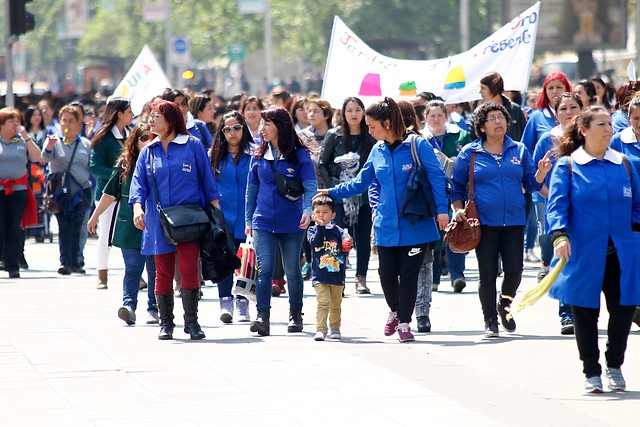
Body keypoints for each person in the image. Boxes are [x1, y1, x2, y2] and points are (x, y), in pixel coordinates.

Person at [317, 97, 449, 342]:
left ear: (387, 123)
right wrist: (332, 192)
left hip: (416, 224)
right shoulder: (377, 150)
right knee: (386, 275)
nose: (369, 130)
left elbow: (437, 177)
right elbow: (361, 183)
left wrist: (442, 210)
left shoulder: (416, 145)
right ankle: (395, 311)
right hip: (386, 225)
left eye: (372, 126)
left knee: (409, 275)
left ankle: (405, 323)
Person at [546, 106, 640, 393]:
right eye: (601, 124)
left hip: (623, 251)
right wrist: (560, 236)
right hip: (583, 251)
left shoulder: (625, 163)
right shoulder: (569, 166)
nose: (608, 129)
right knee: (585, 312)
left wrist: (634, 229)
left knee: (623, 309)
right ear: (584, 130)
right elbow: (556, 205)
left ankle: (614, 364)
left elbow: (637, 203)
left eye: (610, 124)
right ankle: (591, 371)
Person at [451, 102, 552, 338]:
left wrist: (541, 173)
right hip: (483, 223)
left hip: (515, 222)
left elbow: (531, 183)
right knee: (487, 274)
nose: (499, 122)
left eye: (501, 118)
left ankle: (504, 304)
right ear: (482, 126)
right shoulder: (470, 153)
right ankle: (490, 320)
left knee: (515, 271)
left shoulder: (519, 150)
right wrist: (457, 209)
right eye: (493, 118)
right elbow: (455, 187)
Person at [130, 100, 220, 341]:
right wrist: (137, 209)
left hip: (189, 219)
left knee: (190, 268)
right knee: (162, 272)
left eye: (155, 116)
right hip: (158, 220)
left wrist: (217, 219)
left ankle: (192, 322)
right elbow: (138, 186)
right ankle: (166, 323)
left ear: (170, 119)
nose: (150, 120)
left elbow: (208, 184)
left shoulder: (193, 145)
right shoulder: (148, 151)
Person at [245, 107, 317, 337]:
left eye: (267, 124)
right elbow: (251, 191)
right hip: (263, 222)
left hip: (292, 223)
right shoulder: (258, 156)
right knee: (264, 269)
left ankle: (296, 315)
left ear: (280, 126)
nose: (262, 128)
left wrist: (308, 210)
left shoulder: (299, 155)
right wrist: (248, 219)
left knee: (292, 270)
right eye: (262, 124)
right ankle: (262, 317)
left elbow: (310, 186)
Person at [87, 121, 158, 325]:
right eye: (143, 138)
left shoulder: (163, 162)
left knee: (155, 271)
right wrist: (94, 218)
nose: (148, 142)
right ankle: (129, 306)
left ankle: (153, 308)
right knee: (133, 268)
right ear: (134, 142)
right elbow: (109, 195)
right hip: (130, 226)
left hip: (155, 225)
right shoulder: (125, 165)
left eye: (152, 137)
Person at [533, 92, 584, 334]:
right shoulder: (547, 139)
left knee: (585, 261)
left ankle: (585, 310)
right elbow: (535, 179)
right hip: (560, 213)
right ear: (555, 113)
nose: (568, 112)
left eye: (573, 107)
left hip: (588, 211)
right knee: (564, 259)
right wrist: (553, 199)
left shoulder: (590, 136)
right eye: (563, 108)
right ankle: (567, 315)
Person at [317, 96, 374, 294]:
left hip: (364, 196)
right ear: (343, 113)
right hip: (339, 197)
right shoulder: (335, 135)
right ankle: (337, 278)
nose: (354, 114)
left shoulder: (371, 136)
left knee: (363, 238)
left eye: (357, 110)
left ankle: (361, 278)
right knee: (338, 238)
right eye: (349, 110)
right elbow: (322, 165)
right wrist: (335, 185)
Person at [422, 100, 472, 294]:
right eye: (432, 115)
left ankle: (457, 275)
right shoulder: (420, 139)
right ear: (425, 118)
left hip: (457, 190)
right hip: (431, 193)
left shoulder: (461, 135)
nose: (436, 119)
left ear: (446, 116)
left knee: (456, 230)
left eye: (440, 115)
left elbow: (471, 159)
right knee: (434, 235)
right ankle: (434, 278)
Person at [209, 111, 253, 323]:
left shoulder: (255, 155)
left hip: (247, 218)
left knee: (246, 261)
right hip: (222, 217)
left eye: (237, 128)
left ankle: (242, 302)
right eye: (227, 129)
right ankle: (225, 301)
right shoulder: (214, 156)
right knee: (223, 259)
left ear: (244, 129)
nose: (232, 133)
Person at [41, 105, 93, 275]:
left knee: (78, 226)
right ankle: (65, 262)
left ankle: (76, 260)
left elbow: (92, 167)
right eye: (64, 120)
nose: (67, 124)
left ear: (78, 123)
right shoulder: (54, 142)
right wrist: (48, 146)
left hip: (81, 192)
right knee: (64, 227)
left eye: (71, 121)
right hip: (60, 193)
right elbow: (44, 158)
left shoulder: (85, 144)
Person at [89, 97, 134, 290]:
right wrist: (118, 174)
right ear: (119, 114)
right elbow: (95, 167)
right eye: (129, 111)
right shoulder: (104, 137)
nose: (132, 115)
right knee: (105, 234)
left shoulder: (132, 133)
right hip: (107, 193)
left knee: (129, 233)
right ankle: (102, 275)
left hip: (128, 193)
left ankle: (134, 274)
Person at [0, 108, 41, 278]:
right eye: (11, 121)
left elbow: (37, 157)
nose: (16, 124)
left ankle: (12, 264)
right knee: (1, 228)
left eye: (17, 120)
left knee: (15, 229)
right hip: (1, 190)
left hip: (19, 191)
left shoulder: (22, 141)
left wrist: (26, 137)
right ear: (1, 125)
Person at [308, 195, 352, 341]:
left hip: (337, 275)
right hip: (320, 275)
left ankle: (335, 328)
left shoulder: (339, 231)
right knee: (323, 302)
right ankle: (320, 329)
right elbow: (316, 242)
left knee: (335, 304)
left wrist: (347, 244)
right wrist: (320, 227)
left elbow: (345, 251)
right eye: (318, 212)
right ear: (313, 214)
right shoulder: (313, 230)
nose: (321, 215)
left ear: (333, 215)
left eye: (325, 212)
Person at [476, 72, 527, 141]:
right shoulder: (478, 112)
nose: (480, 92)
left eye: (483, 88)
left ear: (493, 88)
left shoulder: (514, 109)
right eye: (491, 118)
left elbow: (526, 137)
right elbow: (473, 140)